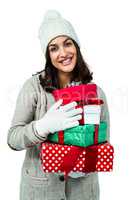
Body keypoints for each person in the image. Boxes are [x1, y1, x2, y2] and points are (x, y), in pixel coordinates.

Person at [7, 10, 110, 200]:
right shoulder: (33, 88)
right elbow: (13, 139)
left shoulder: (95, 93)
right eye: (54, 48)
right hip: (41, 191)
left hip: (83, 191)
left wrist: (87, 164)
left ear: (76, 47)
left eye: (67, 44)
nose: (63, 53)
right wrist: (42, 127)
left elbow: (103, 142)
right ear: (48, 55)